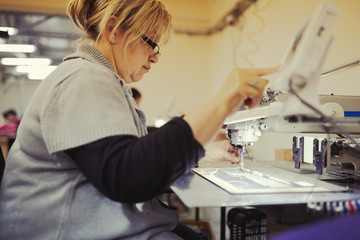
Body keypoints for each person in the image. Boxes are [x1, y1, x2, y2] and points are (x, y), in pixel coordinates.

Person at [0, 0, 277, 239]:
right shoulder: (83, 78)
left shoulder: (103, 80)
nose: (155, 57)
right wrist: (224, 102)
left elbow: (132, 149)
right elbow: (128, 176)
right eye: (151, 43)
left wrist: (201, 149)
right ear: (112, 30)